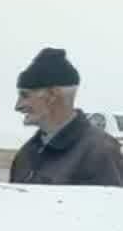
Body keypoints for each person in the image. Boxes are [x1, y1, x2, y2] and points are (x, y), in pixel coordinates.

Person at [9, 48, 123, 187]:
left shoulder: (100, 152)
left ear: (52, 94)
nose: (18, 106)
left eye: (25, 95)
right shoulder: (26, 153)